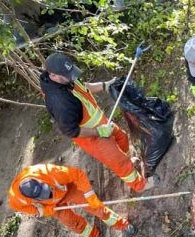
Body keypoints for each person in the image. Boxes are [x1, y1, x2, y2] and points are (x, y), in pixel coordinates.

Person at [39, 52, 146, 192]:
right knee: (120, 163)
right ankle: (140, 185)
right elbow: (72, 131)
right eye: (67, 75)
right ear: (53, 76)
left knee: (122, 137)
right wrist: (98, 132)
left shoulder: (64, 78)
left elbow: (83, 88)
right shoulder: (60, 102)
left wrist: (105, 85)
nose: (72, 77)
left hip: (101, 123)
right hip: (91, 137)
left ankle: (128, 160)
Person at [8, 163, 136, 237]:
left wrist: (90, 195)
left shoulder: (50, 172)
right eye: (43, 195)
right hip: (52, 206)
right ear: (33, 199)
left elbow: (78, 175)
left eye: (46, 189)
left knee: (97, 208)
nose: (48, 193)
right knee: (70, 222)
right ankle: (92, 235)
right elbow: (24, 209)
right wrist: (43, 211)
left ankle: (121, 224)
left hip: (68, 190)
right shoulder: (16, 199)